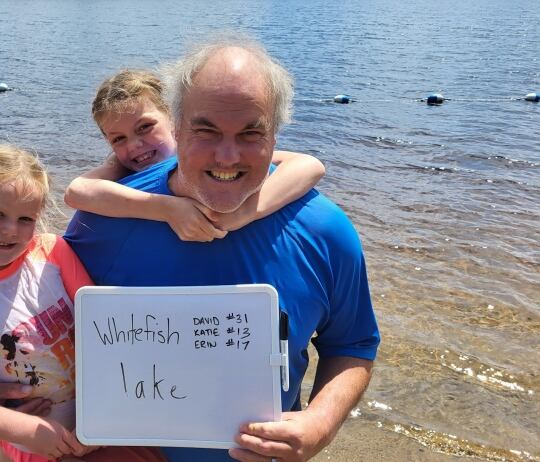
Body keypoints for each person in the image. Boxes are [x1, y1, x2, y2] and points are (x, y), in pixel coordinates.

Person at [63, 37, 380, 462]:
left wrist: (320, 423)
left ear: (275, 134)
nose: (227, 156)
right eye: (206, 130)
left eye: (251, 132)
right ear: (177, 127)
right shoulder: (102, 220)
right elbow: (41, 326)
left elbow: (352, 344)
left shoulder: (325, 230)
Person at [0, 145, 166, 462]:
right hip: (35, 449)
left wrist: (101, 417)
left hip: (106, 427)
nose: (10, 230)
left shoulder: (53, 252)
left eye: (26, 218)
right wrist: (22, 428)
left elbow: (107, 330)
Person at [64, 69, 325, 242]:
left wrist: (247, 212)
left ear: (175, 120)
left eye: (145, 127)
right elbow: (76, 191)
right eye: (118, 139)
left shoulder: (208, 155)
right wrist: (168, 208)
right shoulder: (121, 167)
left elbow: (309, 165)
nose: (134, 145)